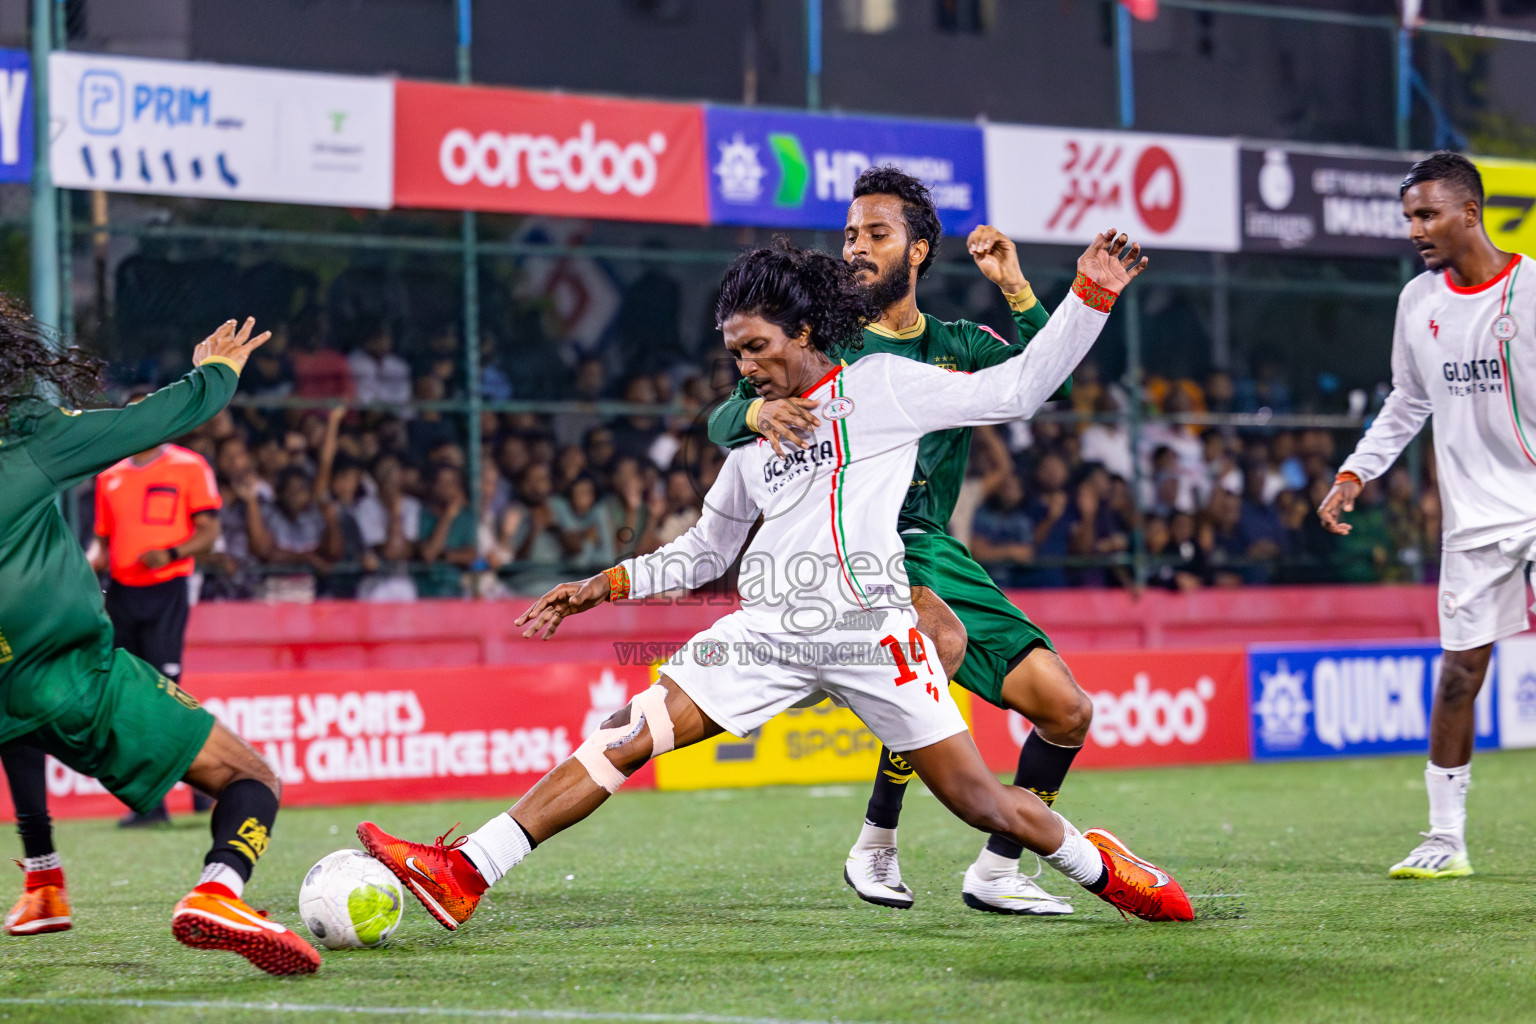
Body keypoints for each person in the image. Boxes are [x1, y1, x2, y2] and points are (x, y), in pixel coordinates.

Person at [356, 234, 1190, 931]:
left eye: (757, 348)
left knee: (984, 805)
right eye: (734, 354)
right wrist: (603, 585)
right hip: (772, 631)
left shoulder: (881, 388)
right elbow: (701, 550)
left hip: (876, 631)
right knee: (628, 729)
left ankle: (1106, 871)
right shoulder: (751, 442)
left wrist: (1090, 294)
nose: (746, 368)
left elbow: (1018, 390)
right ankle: (465, 872)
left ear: (801, 328)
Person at [708, 166, 1094, 915]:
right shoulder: (824, 344)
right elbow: (723, 418)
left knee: (1066, 710)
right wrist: (753, 417)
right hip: (860, 547)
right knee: (936, 643)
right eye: (851, 234)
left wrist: (1017, 288)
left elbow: (1056, 384)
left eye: (877, 234)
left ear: (917, 251)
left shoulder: (956, 343)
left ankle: (999, 868)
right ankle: (876, 841)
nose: (857, 247)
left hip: (938, 548)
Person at [0, 314, 319, 972]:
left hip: (23, 680)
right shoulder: (24, 447)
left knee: (16, 723)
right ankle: (219, 891)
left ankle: (44, 881)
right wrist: (217, 373)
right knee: (252, 775)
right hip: (73, 676)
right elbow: (144, 425)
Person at [1319, 152, 1535, 881]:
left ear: (1469, 212)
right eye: (1409, 216)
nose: (1415, 228)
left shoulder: (1531, 288)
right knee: (1457, 680)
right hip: (1474, 522)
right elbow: (1407, 399)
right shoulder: (1419, 302)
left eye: (1427, 214)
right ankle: (1446, 840)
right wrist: (1355, 472)